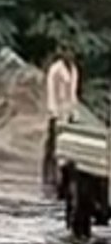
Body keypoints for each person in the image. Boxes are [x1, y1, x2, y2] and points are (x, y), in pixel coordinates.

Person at [42, 48, 80, 190]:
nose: (70, 55)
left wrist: (74, 112)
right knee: (52, 143)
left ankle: (62, 175)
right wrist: (53, 111)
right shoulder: (55, 69)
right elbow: (51, 91)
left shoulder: (74, 69)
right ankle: (48, 174)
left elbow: (73, 93)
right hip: (57, 111)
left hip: (68, 111)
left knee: (66, 144)